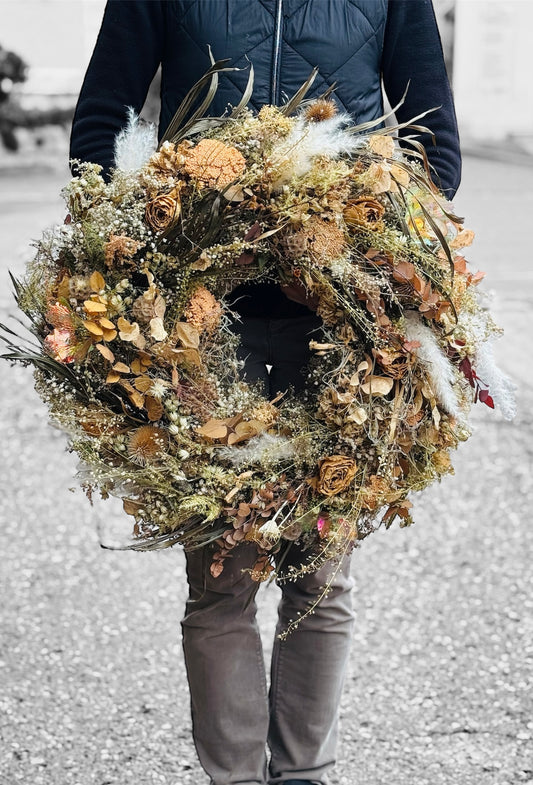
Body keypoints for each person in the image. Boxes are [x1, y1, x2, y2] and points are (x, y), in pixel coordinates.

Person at [69, 2, 461, 784]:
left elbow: (432, 144)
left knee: (321, 570)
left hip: (343, 320)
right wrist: (137, 238)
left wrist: (373, 237)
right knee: (221, 572)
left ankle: (304, 773)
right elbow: (99, 123)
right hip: (201, 320)